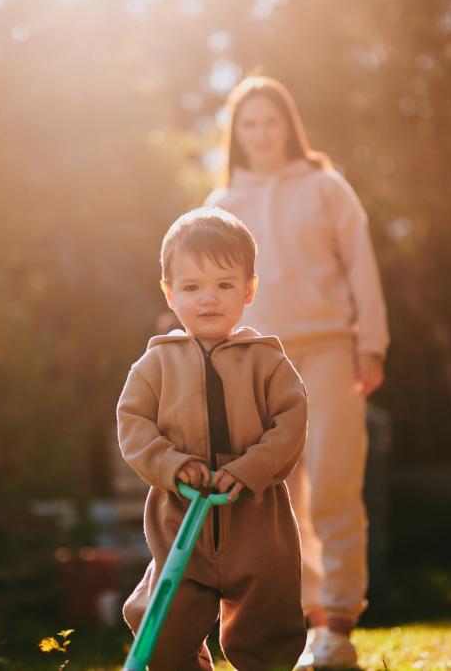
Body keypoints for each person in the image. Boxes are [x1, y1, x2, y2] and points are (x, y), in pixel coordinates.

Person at [206, 75, 390, 669]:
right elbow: (210, 294)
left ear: (289, 125)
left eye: (271, 122)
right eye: (250, 125)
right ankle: (308, 627)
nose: (261, 134)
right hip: (257, 365)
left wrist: (373, 344)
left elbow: (361, 264)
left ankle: (338, 623)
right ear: (237, 135)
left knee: (334, 481)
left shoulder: (325, 187)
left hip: (331, 350)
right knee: (282, 502)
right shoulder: (221, 207)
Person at [117, 208, 309, 670]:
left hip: (257, 517)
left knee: (267, 624)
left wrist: (250, 469)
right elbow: (133, 423)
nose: (209, 299)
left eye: (224, 285)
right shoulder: (155, 365)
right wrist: (169, 463)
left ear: (248, 290)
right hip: (180, 516)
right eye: (192, 287)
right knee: (165, 623)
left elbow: (290, 422)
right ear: (169, 292)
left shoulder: (267, 362)